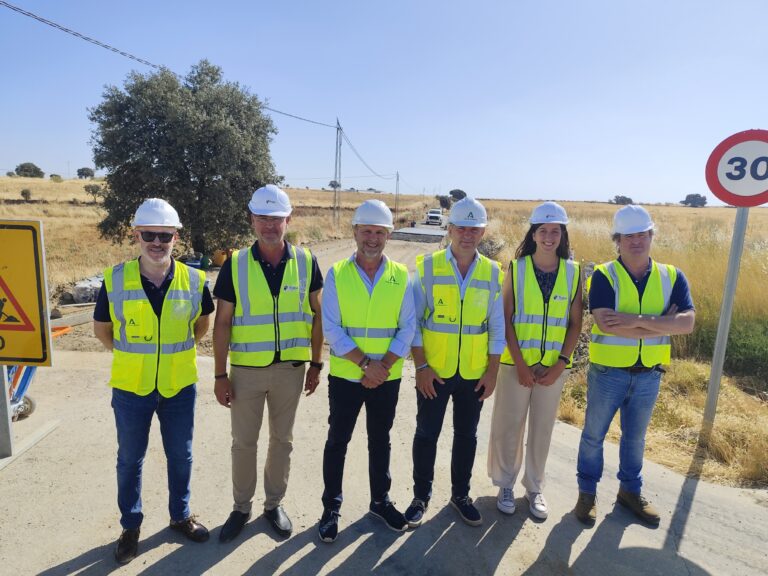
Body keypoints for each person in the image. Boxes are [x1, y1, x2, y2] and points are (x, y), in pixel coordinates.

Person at [93, 198, 214, 564]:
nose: (157, 243)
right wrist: (135, 357)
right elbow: (102, 331)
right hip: (132, 388)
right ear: (137, 235)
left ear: (176, 237)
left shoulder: (195, 280)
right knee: (130, 459)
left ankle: (180, 516)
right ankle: (130, 527)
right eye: (150, 235)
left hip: (179, 387)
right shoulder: (115, 279)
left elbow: (202, 325)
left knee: (181, 455)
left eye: (165, 235)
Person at [213, 184, 324, 542]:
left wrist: (316, 364)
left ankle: (273, 504)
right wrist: (219, 374)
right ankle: (241, 508)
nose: (269, 226)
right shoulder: (235, 264)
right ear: (251, 219)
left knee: (282, 441)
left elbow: (318, 315)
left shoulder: (306, 262)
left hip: (290, 371)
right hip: (245, 372)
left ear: (289, 219)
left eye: (276, 218)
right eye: (262, 218)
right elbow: (222, 323)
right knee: (243, 443)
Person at [574, 204, 695, 527]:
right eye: (629, 236)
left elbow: (686, 323)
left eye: (642, 235)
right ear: (618, 240)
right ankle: (587, 494)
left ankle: (630, 492)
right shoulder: (604, 275)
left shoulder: (672, 276)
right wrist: (663, 323)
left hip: (649, 375)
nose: (637, 241)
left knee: (635, 439)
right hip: (608, 373)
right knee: (593, 436)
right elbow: (606, 323)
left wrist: (632, 320)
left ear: (651, 236)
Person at [317, 200, 415, 543]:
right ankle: (331, 508)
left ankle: (380, 502)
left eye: (379, 232)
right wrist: (365, 365)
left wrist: (382, 367)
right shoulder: (338, 273)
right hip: (347, 376)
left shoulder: (401, 276)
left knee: (380, 440)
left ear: (388, 235)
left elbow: (407, 327)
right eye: (366, 231)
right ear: (355, 232)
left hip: (386, 377)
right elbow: (332, 328)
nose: (372, 238)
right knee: (337, 441)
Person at [406, 197, 505, 528]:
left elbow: (497, 327)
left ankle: (460, 496)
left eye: (474, 229)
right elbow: (414, 323)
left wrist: (492, 372)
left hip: (474, 374)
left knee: (467, 436)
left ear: (483, 232)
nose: (467, 235)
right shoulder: (428, 267)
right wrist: (421, 368)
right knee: (426, 434)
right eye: (461, 228)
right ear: (449, 230)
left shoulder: (492, 272)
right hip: (434, 372)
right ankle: (420, 497)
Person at [487, 202, 582, 520]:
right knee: (508, 426)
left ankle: (535, 487)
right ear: (533, 234)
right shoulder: (517, 268)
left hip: (553, 369)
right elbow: (505, 318)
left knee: (542, 430)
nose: (549, 237)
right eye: (543, 230)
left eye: (555, 231)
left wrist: (560, 364)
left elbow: (575, 323)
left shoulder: (573, 272)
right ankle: (505, 484)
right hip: (516, 366)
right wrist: (521, 365)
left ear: (563, 235)